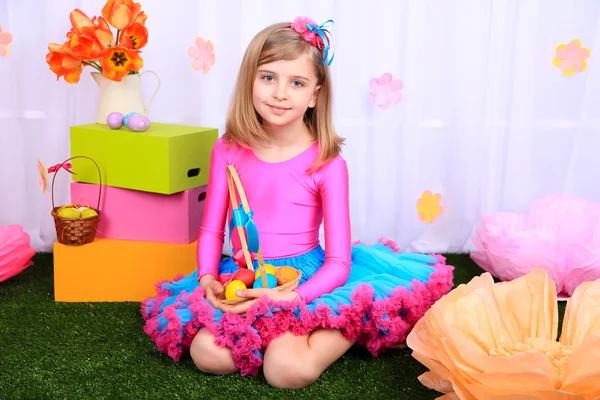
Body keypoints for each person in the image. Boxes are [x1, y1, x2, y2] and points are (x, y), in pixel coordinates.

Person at [141, 16, 454, 389]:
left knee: (285, 371)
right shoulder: (227, 148)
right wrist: (208, 276)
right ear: (249, 81)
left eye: (297, 83)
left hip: (304, 279)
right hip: (244, 273)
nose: (280, 93)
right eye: (268, 77)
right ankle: (265, 337)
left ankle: (351, 323)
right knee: (208, 354)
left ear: (315, 95)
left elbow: (339, 261)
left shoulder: (327, 163)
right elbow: (212, 227)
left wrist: (294, 298)